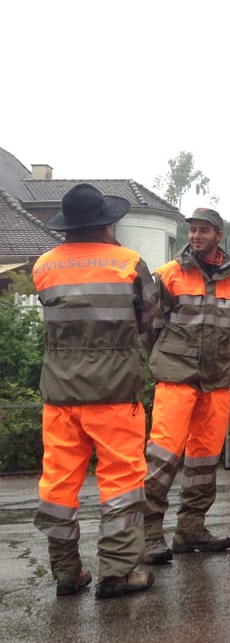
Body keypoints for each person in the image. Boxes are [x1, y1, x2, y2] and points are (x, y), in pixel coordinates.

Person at [32, 183, 158, 599]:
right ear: (107, 223)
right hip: (115, 392)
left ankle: (68, 573)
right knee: (121, 480)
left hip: (60, 396)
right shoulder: (129, 263)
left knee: (58, 484)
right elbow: (147, 324)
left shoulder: (43, 266)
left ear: (65, 227)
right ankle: (120, 573)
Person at [142, 208, 230, 564]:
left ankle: (190, 529)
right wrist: (166, 360)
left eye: (203, 231)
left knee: (204, 458)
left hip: (216, 379)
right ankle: (150, 533)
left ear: (219, 235)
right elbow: (151, 328)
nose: (196, 236)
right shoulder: (169, 275)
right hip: (176, 376)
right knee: (163, 456)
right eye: (192, 230)